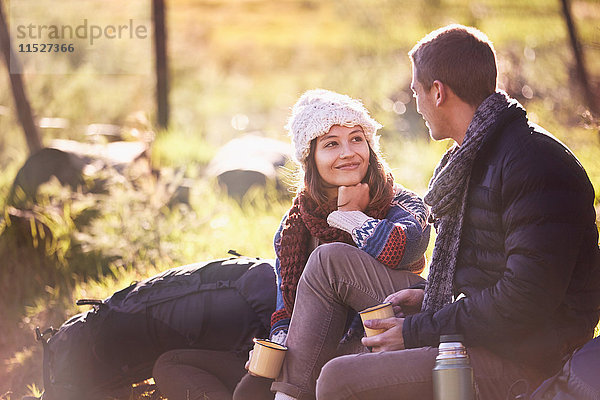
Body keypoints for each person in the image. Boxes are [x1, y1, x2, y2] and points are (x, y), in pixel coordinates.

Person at [269, 25, 600, 400]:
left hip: (523, 358)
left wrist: (419, 330)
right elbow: (484, 279)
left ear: (438, 92)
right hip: (478, 324)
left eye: (416, 92)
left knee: (336, 379)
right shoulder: (471, 157)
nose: (416, 104)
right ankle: (289, 394)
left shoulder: (535, 164)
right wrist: (427, 302)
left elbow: (523, 301)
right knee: (331, 261)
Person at [154, 89, 431, 400]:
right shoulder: (294, 227)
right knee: (181, 367)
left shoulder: (400, 202)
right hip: (319, 347)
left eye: (357, 139)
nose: (348, 152)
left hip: (383, 333)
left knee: (329, 259)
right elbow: (286, 307)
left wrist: (352, 218)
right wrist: (279, 342)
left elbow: (405, 247)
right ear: (309, 157)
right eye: (331, 144)